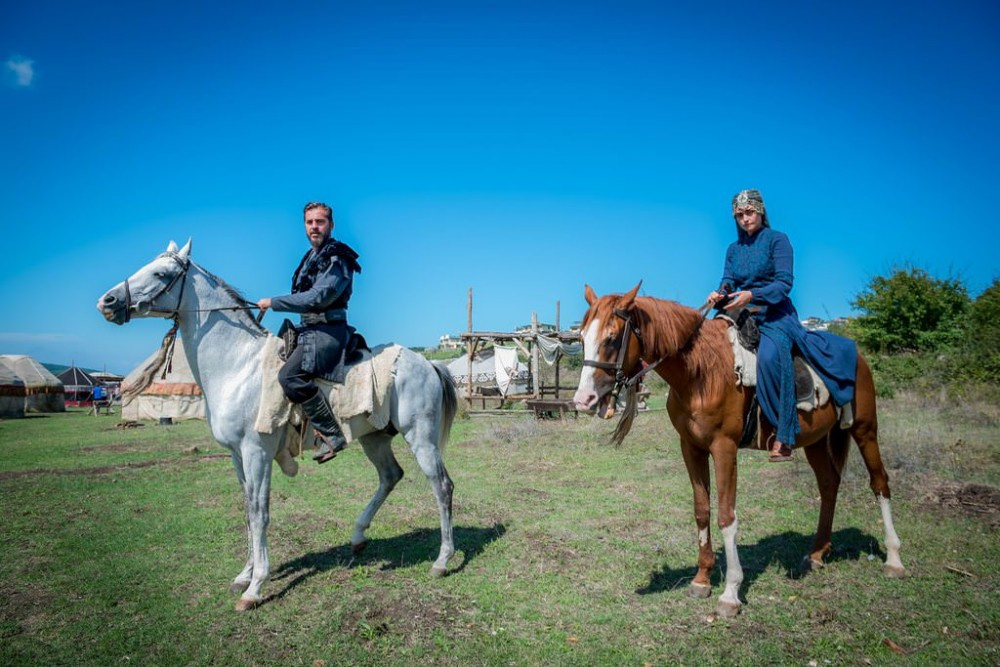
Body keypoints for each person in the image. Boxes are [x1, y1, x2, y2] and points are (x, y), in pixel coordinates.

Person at [707, 189, 857, 462]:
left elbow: (784, 283)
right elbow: (728, 279)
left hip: (776, 316)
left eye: (749, 212)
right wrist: (719, 293)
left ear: (761, 211)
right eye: (739, 215)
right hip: (742, 315)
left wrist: (752, 294)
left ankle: (783, 432)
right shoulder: (733, 249)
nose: (745, 218)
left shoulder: (778, 240)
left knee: (769, 357)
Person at [257, 202, 362, 464]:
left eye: (320, 222)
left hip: (328, 330)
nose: (314, 227)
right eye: (309, 222)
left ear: (331, 225)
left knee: (290, 376)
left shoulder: (340, 257)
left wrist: (274, 302)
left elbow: (318, 297)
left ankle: (332, 435)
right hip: (307, 328)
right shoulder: (310, 258)